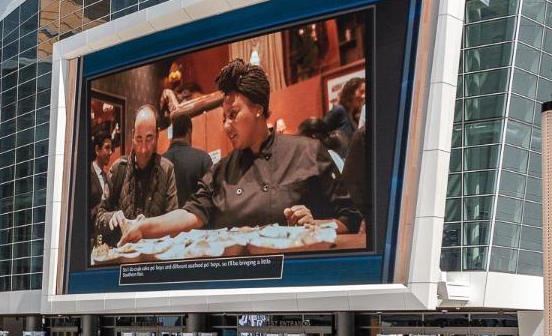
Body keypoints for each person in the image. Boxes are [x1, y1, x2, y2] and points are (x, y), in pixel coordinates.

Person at [120, 59, 362, 243]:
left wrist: (315, 224)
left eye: (233, 115)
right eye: (224, 118)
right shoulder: (221, 171)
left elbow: (350, 218)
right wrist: (144, 228)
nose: (226, 126)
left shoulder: (308, 152)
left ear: (257, 108)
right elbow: (189, 215)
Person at [97, 105, 177, 242]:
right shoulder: (118, 169)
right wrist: (112, 217)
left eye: (149, 138)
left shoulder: (167, 169)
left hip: (154, 256)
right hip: (122, 255)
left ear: (157, 135)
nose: (144, 149)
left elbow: (174, 222)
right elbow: (99, 218)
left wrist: (148, 226)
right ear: (133, 136)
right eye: (139, 139)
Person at [163, 113, 213, 208]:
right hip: (194, 220)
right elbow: (212, 197)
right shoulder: (203, 158)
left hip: (165, 222)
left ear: (173, 134)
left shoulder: (160, 162)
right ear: (189, 132)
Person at [323, 77, 366, 143]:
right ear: (351, 92)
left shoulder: (354, 116)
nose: (364, 96)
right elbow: (320, 129)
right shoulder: (339, 110)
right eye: (361, 91)